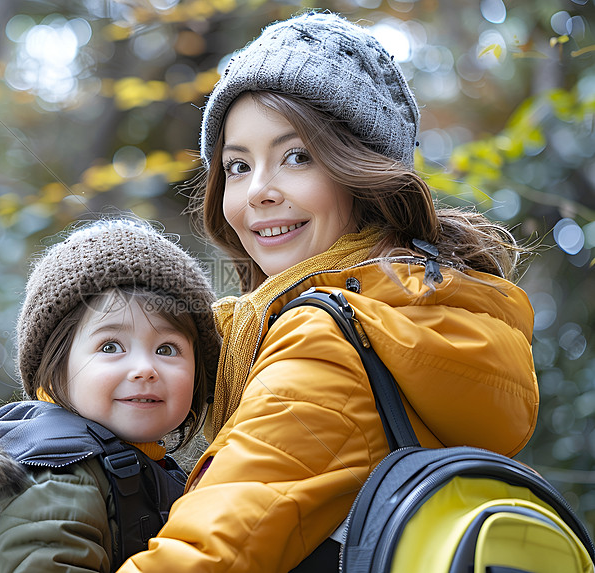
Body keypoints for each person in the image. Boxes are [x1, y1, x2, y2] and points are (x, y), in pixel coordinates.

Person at [116, 11, 539, 573]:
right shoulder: (416, 312)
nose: (259, 191)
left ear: (361, 171)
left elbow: (204, 557)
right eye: (237, 165)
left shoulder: (328, 341)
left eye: (297, 156)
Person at [0, 218, 220, 573]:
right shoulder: (58, 480)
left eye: (167, 349)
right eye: (111, 345)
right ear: (55, 366)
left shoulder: (137, 463)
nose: (145, 369)